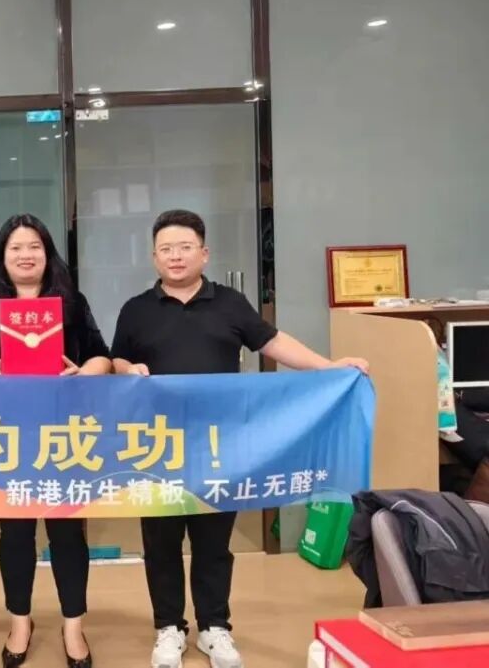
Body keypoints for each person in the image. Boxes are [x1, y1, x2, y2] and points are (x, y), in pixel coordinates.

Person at [111, 209, 368, 668]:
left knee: (213, 542)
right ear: (154, 257)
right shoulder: (136, 309)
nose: (175, 256)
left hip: (219, 447)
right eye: (166, 249)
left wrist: (329, 367)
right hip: (158, 446)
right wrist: (128, 369)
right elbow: (117, 361)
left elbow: (273, 342)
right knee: (161, 543)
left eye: (185, 247)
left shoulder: (230, 303)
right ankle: (168, 628)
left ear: (204, 253)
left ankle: (214, 627)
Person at [0, 214, 111, 668]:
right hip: (11, 436)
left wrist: (83, 373)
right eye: (16, 248)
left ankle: (73, 626)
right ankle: (20, 622)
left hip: (65, 435)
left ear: (48, 254)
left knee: (67, 533)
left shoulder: (71, 303)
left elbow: (102, 357)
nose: (26, 255)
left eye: (34, 247)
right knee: (16, 534)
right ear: (2, 257)